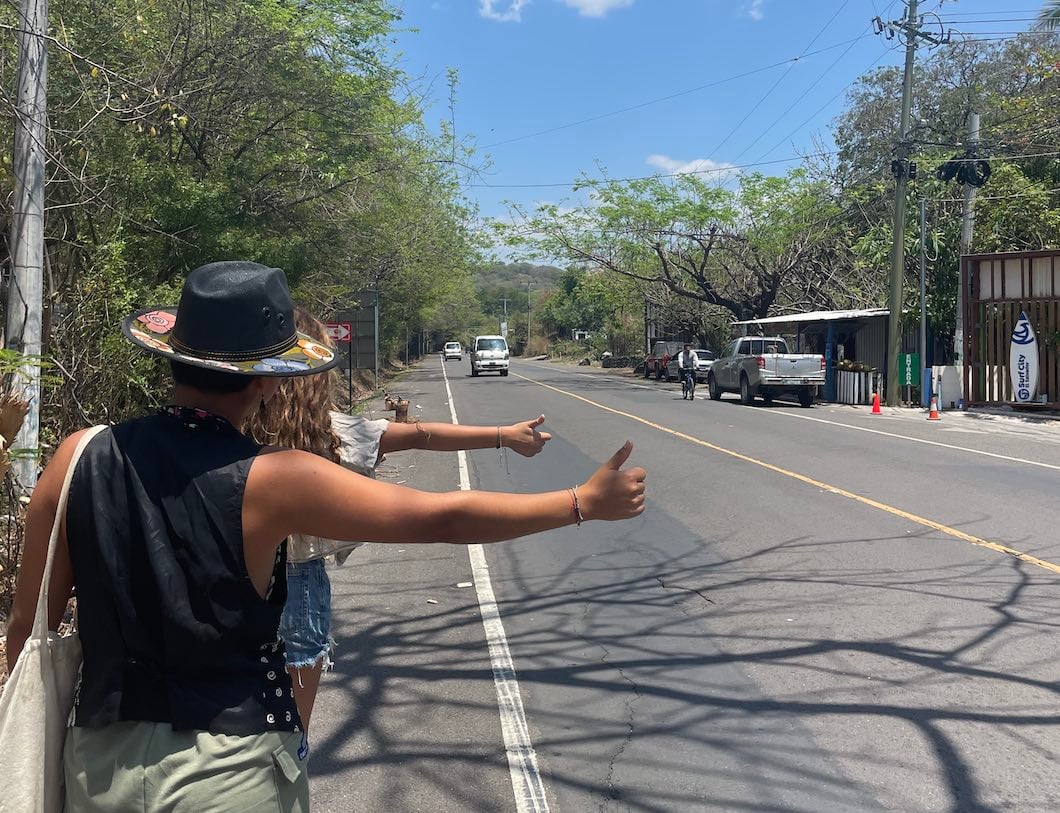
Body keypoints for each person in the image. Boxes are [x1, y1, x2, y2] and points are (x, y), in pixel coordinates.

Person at [5, 261, 646, 812]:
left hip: (96, 762)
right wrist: (578, 503)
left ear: (175, 358)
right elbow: (444, 517)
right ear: (266, 377)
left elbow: (25, 628)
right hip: (226, 768)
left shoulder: (77, 454)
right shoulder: (278, 479)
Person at [245, 307, 554, 736]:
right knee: (287, 732)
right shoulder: (331, 434)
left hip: (225, 574)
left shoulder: (227, 433)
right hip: (297, 581)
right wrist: (505, 436)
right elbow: (421, 437)